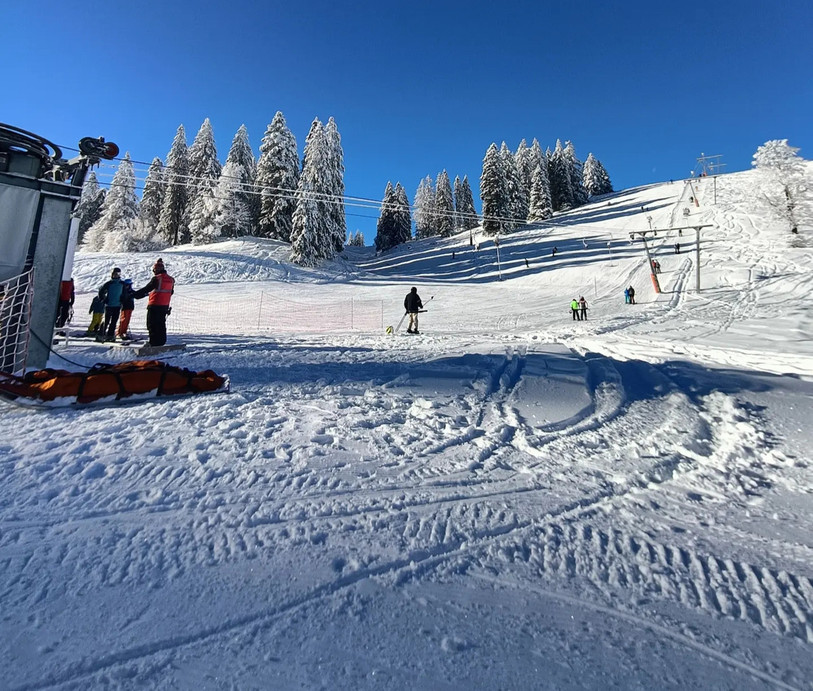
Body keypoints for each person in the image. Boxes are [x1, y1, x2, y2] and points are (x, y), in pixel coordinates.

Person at [133, 258, 175, 346]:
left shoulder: (157, 278)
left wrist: (134, 295)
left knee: (151, 324)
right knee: (161, 324)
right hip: (164, 306)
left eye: (154, 270)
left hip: (154, 304)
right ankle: (161, 342)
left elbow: (147, 288)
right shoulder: (171, 279)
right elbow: (171, 292)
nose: (154, 272)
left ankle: (152, 343)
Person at [97, 268, 124, 342]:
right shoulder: (109, 284)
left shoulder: (122, 284)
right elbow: (101, 292)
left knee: (114, 322)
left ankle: (110, 335)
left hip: (117, 305)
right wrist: (104, 300)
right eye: (115, 274)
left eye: (118, 274)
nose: (116, 276)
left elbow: (125, 294)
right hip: (109, 305)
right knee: (106, 321)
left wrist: (123, 301)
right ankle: (101, 334)